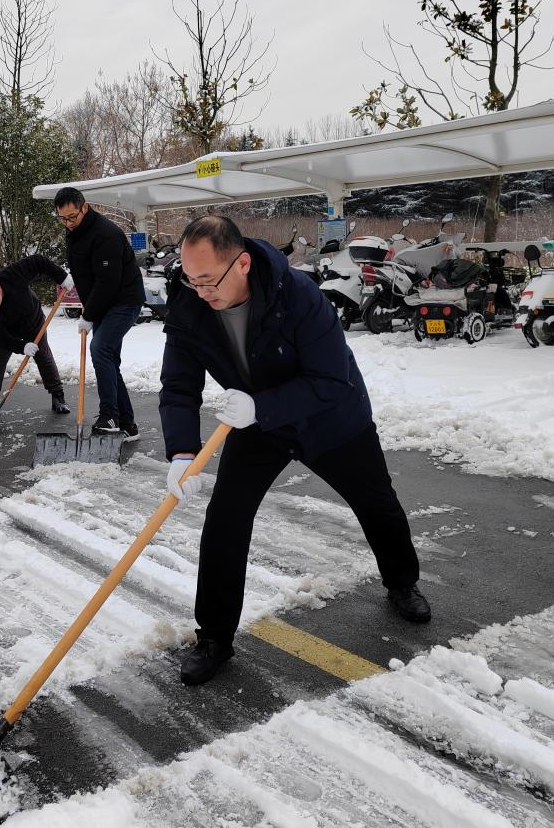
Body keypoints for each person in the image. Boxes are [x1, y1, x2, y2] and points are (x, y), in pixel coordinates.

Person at [160, 215, 430, 687]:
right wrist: (182, 452)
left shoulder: (298, 296)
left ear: (241, 263)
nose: (199, 290)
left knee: (375, 500)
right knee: (226, 519)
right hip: (256, 424)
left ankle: (402, 581)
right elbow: (178, 386)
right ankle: (215, 637)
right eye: (190, 277)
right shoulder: (190, 306)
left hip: (329, 417)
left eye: (208, 279)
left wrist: (260, 406)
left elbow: (331, 380)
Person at [54, 186, 145, 440]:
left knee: (100, 348)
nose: (68, 223)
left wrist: (89, 314)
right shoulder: (76, 233)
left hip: (124, 300)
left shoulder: (106, 234)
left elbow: (107, 281)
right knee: (109, 361)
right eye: (63, 218)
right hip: (104, 302)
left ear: (85, 207)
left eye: (72, 217)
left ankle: (109, 416)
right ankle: (128, 424)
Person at [0, 255, 75, 424]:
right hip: (7, 332)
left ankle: (58, 397)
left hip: (32, 322)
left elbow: (39, 261)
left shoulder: (13, 275)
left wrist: (61, 276)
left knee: (43, 356)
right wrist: (21, 347)